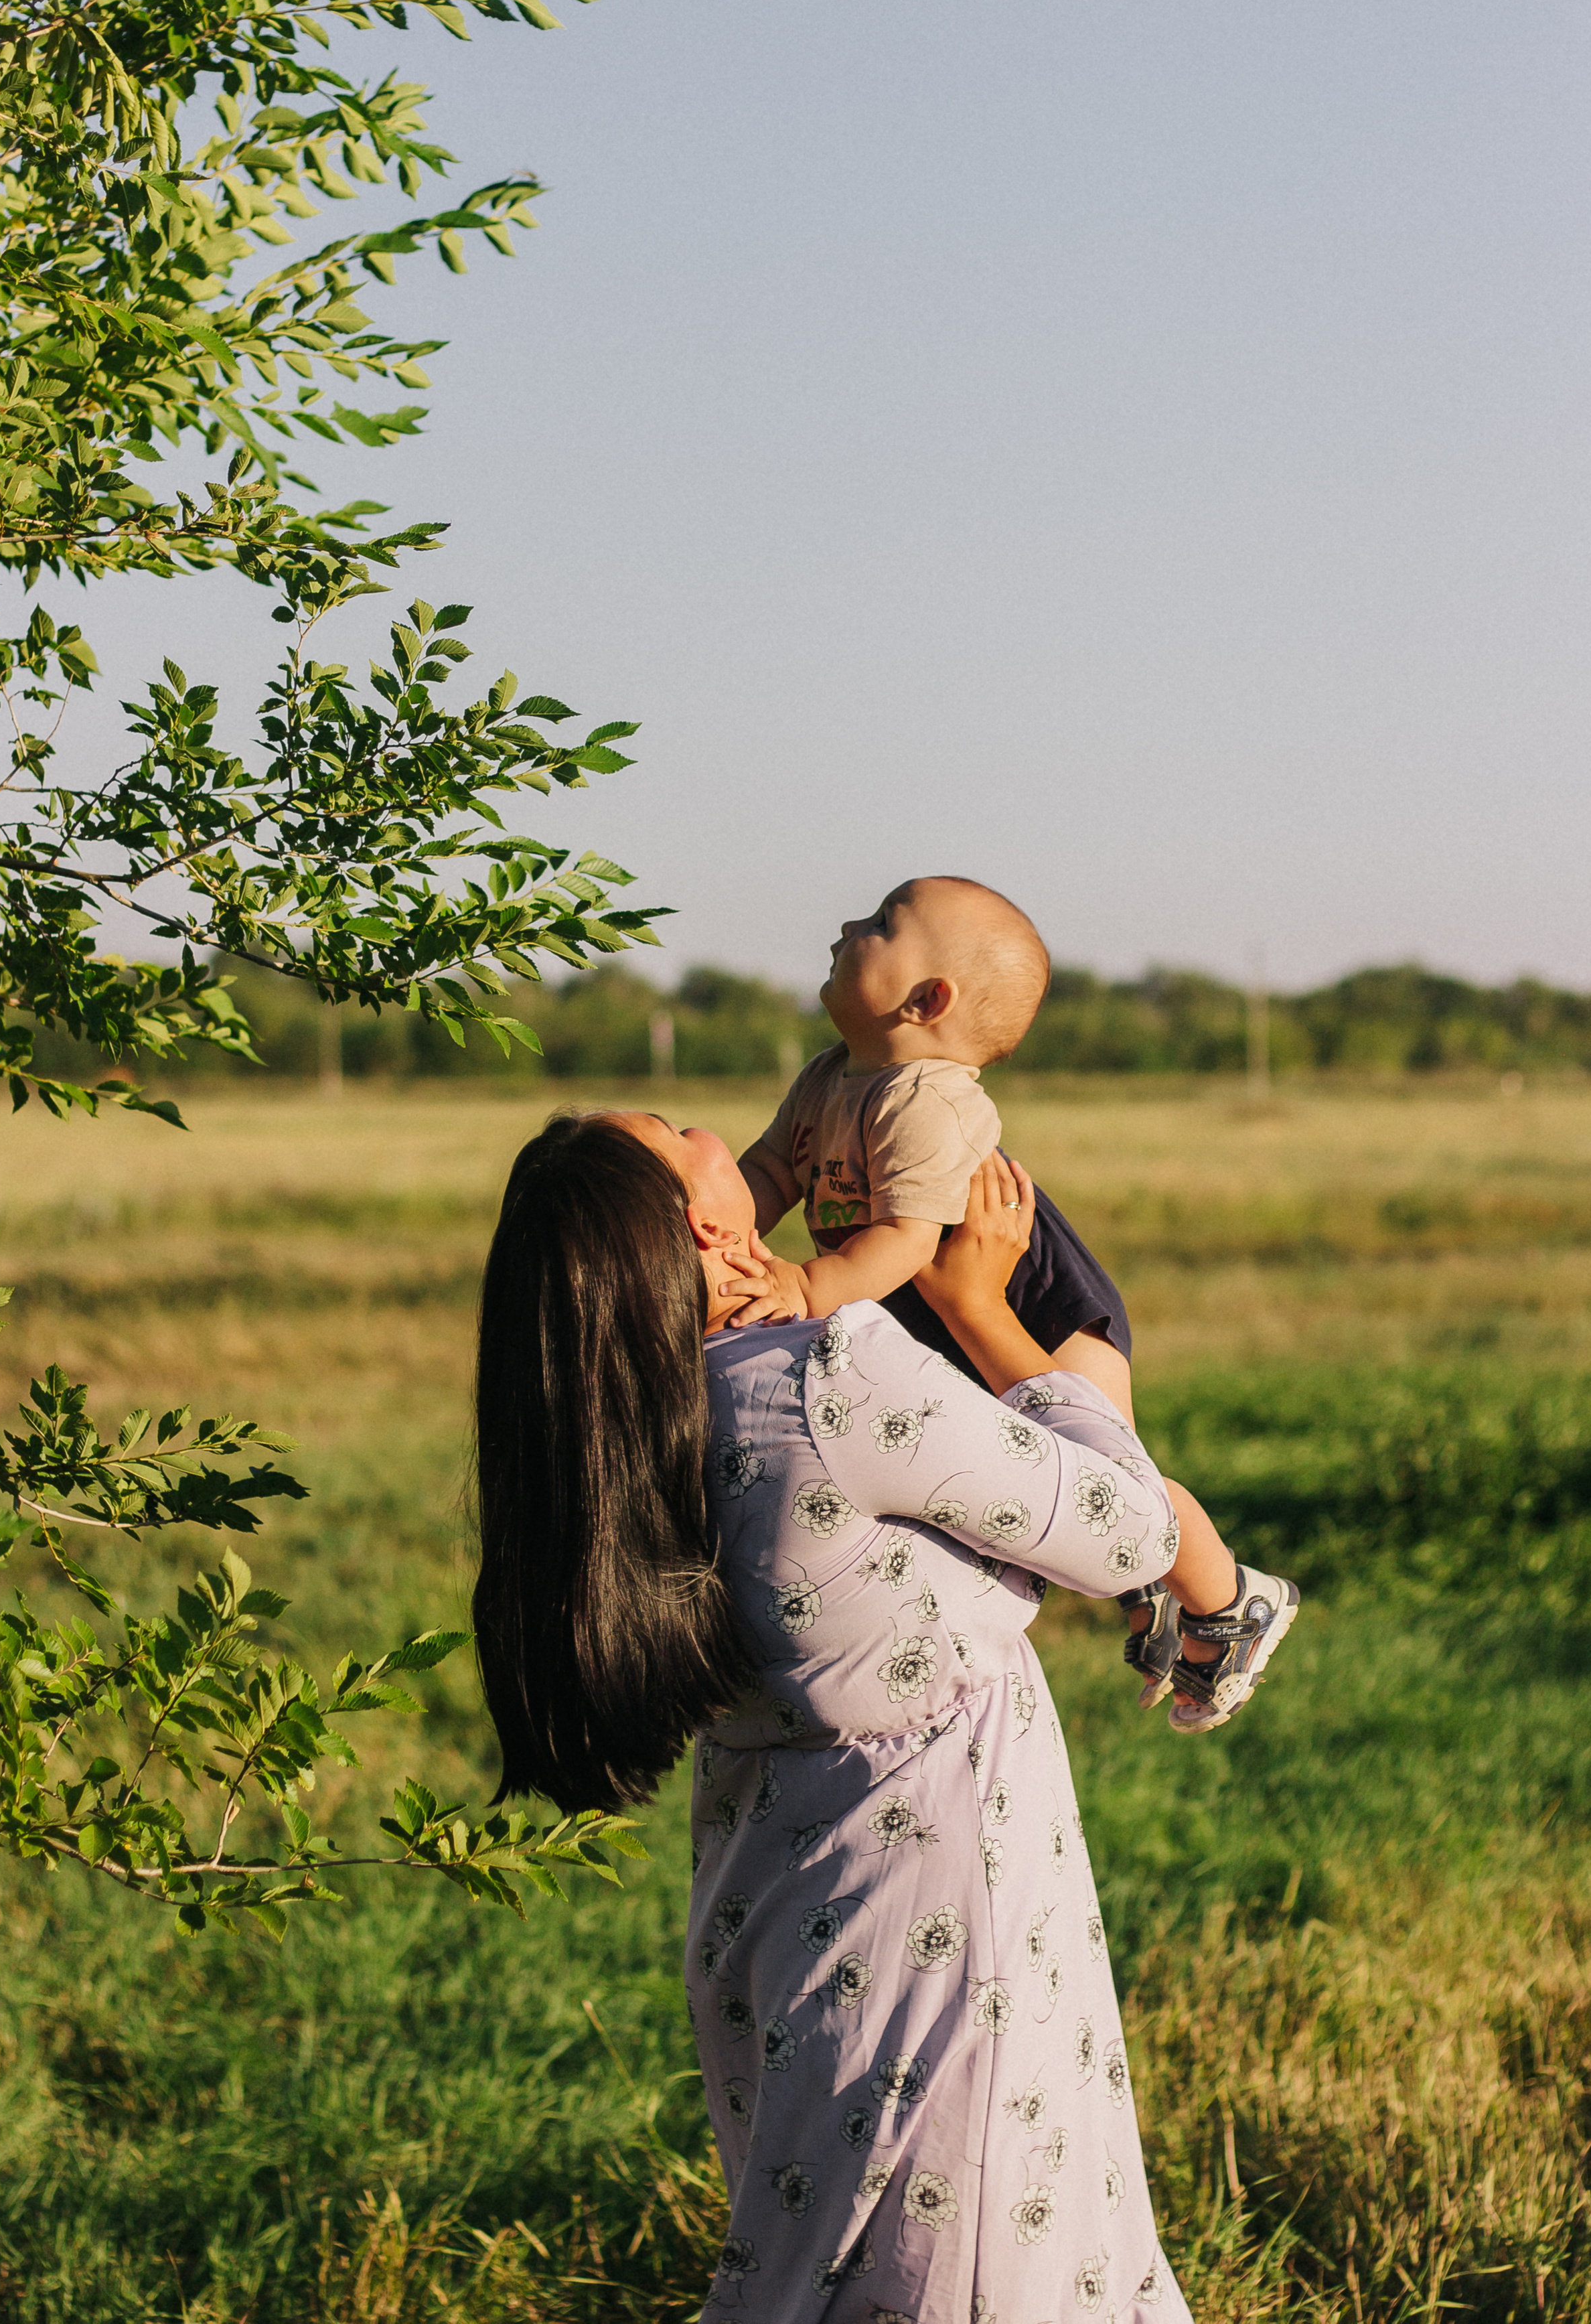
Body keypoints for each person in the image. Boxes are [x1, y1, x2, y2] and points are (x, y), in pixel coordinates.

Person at [473, 1107, 1211, 2320]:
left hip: (769, 1908)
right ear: (709, 1223)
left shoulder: (632, 1425)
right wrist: (988, 1315)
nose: (725, 1133)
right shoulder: (823, 1373)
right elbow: (1130, 1530)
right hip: (938, 1918)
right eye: (686, 1130)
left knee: (834, 2271)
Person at [737, 875, 1297, 1733]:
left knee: (1114, 1481)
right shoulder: (826, 1079)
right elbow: (772, 1170)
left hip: (1035, 1297)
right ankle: (1146, 1589)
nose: (849, 924)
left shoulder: (924, 1098)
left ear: (928, 998)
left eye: (881, 923)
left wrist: (804, 1288)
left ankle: (1232, 1602)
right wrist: (717, 1234)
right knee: (1026, 1481)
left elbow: (912, 1243)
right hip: (927, 1303)